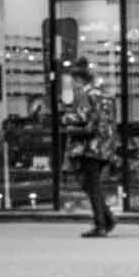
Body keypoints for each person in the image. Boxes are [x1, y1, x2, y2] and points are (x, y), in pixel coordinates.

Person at [60, 62, 118, 237]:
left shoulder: (86, 95)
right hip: (105, 146)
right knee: (93, 185)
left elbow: (83, 116)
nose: (73, 85)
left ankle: (101, 224)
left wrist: (65, 117)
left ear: (79, 80)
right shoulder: (104, 95)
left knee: (91, 186)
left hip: (89, 146)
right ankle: (106, 218)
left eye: (74, 81)